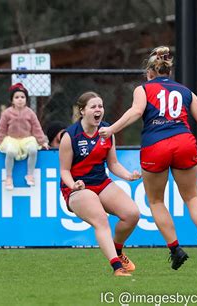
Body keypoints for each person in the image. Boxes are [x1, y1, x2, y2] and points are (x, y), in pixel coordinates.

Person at [99, 46, 197, 270]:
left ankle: (175, 249)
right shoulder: (184, 91)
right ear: (168, 72)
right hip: (183, 141)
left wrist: (111, 128)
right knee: (191, 197)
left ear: (149, 72)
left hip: (156, 145)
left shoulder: (143, 89)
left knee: (156, 201)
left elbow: (135, 112)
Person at [59, 91, 141, 277]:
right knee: (101, 220)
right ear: (82, 111)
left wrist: (128, 175)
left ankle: (118, 251)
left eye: (101, 106)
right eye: (93, 107)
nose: (98, 110)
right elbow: (64, 171)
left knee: (132, 214)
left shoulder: (107, 131)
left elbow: (113, 164)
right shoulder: (70, 136)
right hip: (78, 188)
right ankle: (117, 268)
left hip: (101, 183)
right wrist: (73, 185)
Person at [0, 83, 49, 190]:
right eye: (17, 97)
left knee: (33, 149)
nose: (20, 99)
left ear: (26, 99)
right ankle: (9, 177)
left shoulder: (30, 113)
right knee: (10, 151)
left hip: (26, 139)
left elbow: (36, 128)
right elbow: (1, 130)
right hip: (11, 139)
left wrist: (42, 141)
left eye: (22, 97)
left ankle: (30, 175)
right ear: (12, 100)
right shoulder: (6, 113)